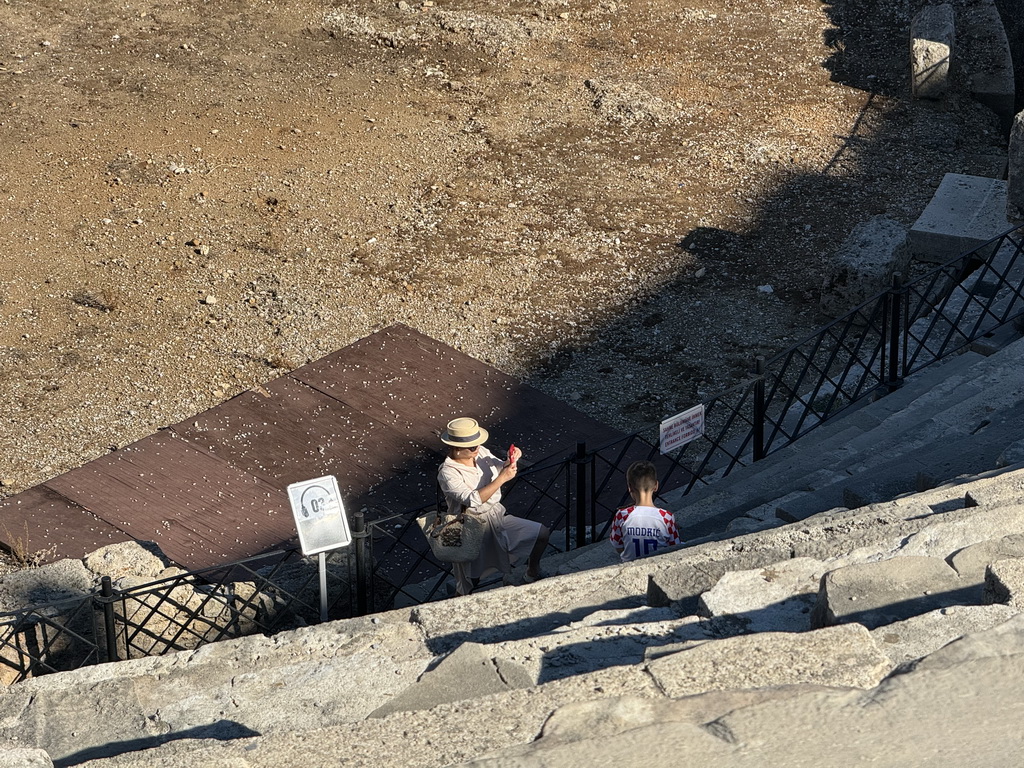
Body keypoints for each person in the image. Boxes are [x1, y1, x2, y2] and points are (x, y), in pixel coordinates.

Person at [437, 417, 550, 596]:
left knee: (541, 533)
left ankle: (532, 573)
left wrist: (510, 461)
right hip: (470, 527)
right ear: (457, 448)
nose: (477, 448)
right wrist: (502, 478)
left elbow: (498, 467)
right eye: (472, 446)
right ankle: (459, 607)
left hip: (495, 517)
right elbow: (472, 499)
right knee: (470, 578)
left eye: (478, 444)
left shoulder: (479, 452)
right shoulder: (448, 473)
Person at [609, 460, 680, 562]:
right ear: (656, 486)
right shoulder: (666, 517)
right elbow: (675, 547)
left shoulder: (622, 515)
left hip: (631, 568)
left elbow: (618, 546)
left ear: (630, 487)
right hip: (656, 566)